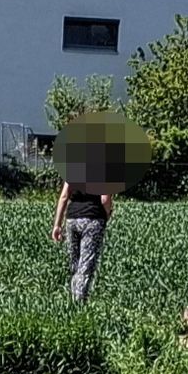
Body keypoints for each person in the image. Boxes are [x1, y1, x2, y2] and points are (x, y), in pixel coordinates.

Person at [51, 115, 140, 305]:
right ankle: (79, 305)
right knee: (86, 264)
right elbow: (105, 198)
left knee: (74, 263)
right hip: (93, 219)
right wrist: (107, 214)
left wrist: (57, 224)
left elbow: (64, 196)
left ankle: (71, 302)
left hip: (72, 218)